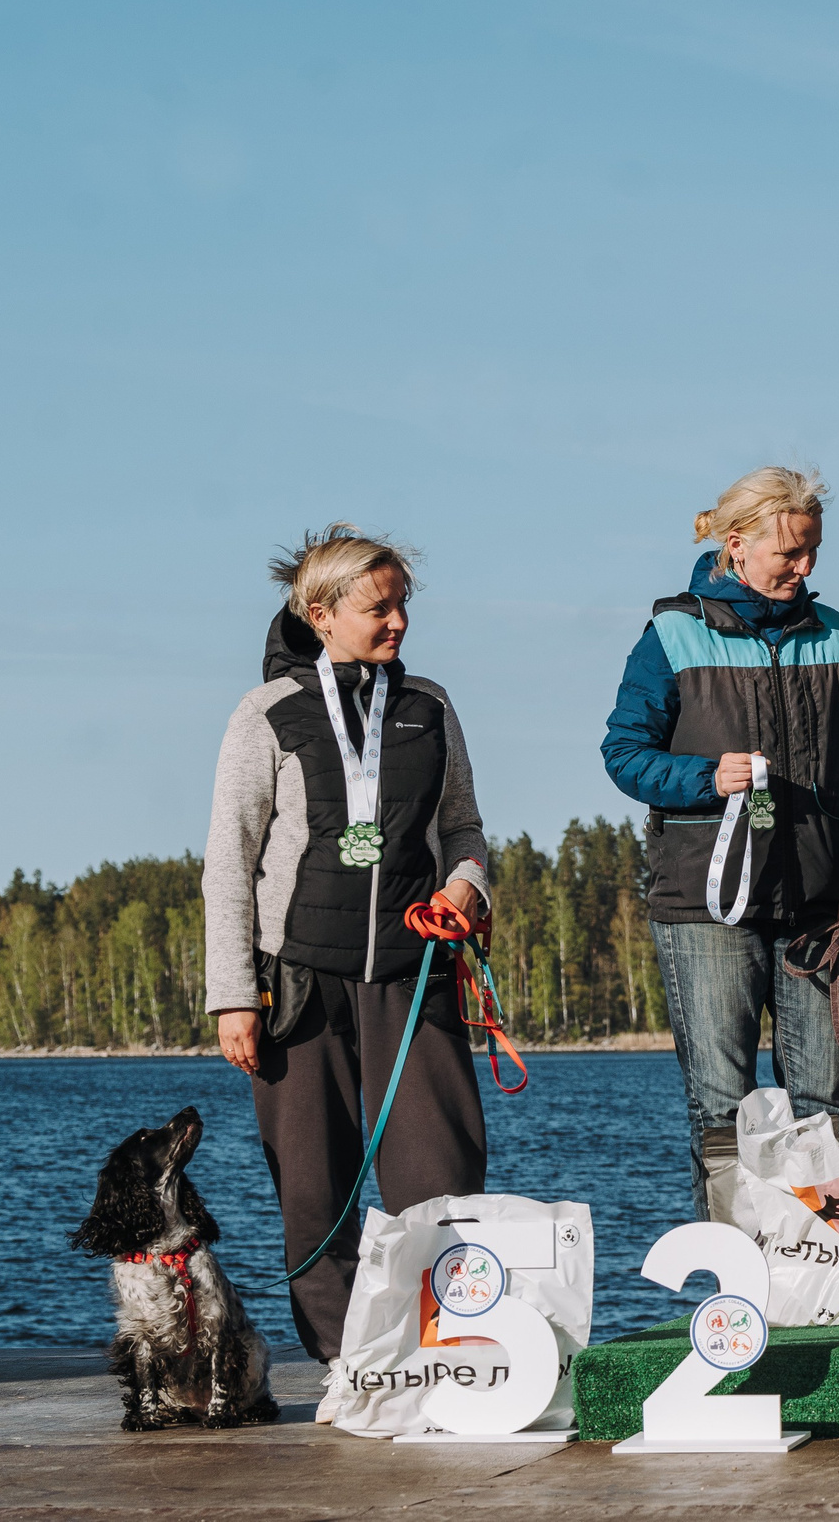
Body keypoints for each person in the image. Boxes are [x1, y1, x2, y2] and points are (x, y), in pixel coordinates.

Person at [204, 524, 494, 1419]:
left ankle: (446, 1352)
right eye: (381, 606)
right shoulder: (267, 714)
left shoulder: (431, 707)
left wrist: (467, 888)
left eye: (404, 602)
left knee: (440, 1175)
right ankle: (347, 1363)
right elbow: (229, 858)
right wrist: (231, 996)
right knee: (313, 1187)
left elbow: (466, 830)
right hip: (299, 984)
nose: (400, 620)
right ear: (321, 615)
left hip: (415, 977)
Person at [602, 466, 839, 1219]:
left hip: (819, 905)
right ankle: (741, 1279)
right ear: (737, 545)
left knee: (824, 1104)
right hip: (706, 909)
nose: (805, 569)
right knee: (723, 1109)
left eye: (813, 553)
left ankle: (835, 1268)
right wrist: (706, 778)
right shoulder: (672, 631)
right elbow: (624, 754)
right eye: (789, 554)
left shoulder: (836, 637)